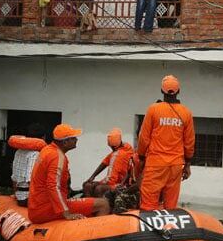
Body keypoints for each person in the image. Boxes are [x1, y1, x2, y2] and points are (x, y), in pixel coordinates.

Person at [28, 123, 110, 223]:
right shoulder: (57, 156)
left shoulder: (47, 150)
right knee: (104, 204)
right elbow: (53, 186)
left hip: (37, 206)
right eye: (73, 138)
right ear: (65, 142)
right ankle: (95, 236)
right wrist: (66, 213)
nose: (76, 140)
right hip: (46, 208)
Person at [137, 75, 195, 210]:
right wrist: (188, 164)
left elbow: (144, 137)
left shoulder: (153, 109)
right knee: (170, 205)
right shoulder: (186, 113)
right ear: (178, 91)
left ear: (162, 91)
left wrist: (141, 157)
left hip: (156, 164)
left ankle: (149, 229)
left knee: (148, 205)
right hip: (175, 166)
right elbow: (189, 142)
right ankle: (169, 228)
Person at [82, 128, 135, 197]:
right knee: (91, 185)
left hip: (122, 184)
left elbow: (111, 179)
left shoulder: (117, 155)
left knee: (94, 187)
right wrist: (93, 176)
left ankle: (96, 206)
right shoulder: (126, 147)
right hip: (124, 182)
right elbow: (104, 163)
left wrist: (97, 183)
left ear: (112, 147)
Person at [8, 123, 47, 207]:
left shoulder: (18, 151)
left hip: (20, 197)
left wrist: (16, 195)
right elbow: (31, 180)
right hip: (28, 198)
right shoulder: (35, 154)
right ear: (43, 137)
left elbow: (14, 178)